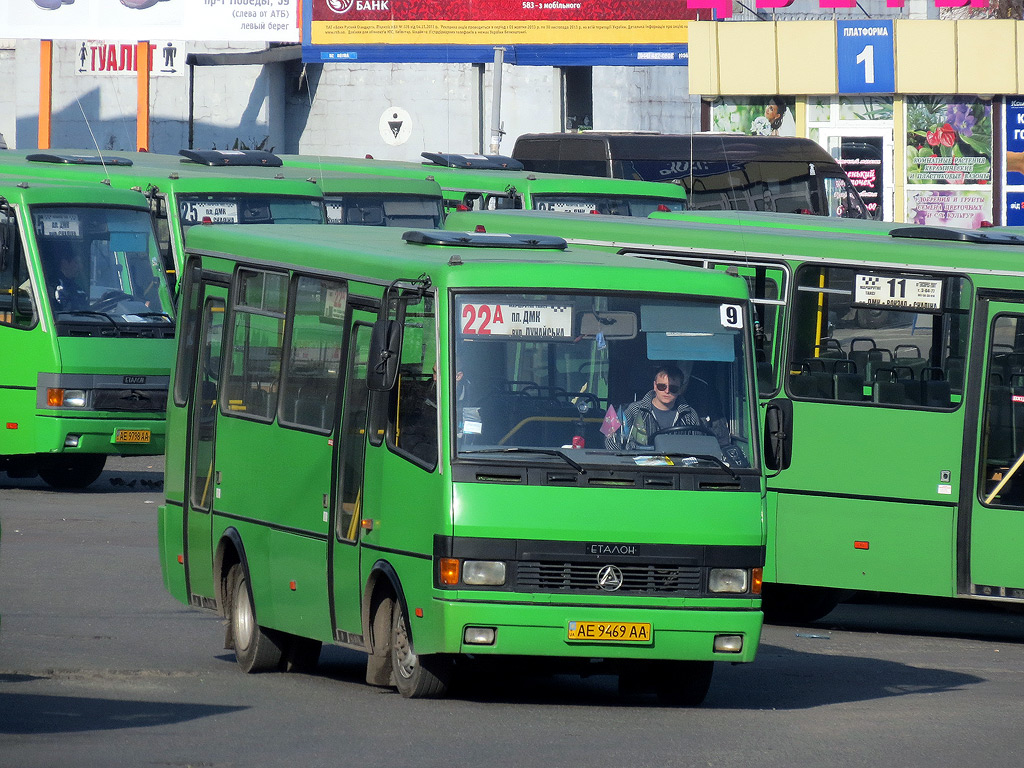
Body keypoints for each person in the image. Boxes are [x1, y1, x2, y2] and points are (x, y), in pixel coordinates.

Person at [605, 364, 702, 450]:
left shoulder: (689, 415)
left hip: (680, 469)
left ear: (680, 390)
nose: (667, 391)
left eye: (673, 388)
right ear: (655, 386)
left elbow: (699, 447)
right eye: (662, 386)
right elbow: (610, 439)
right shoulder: (631, 410)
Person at [48, 245, 89, 312]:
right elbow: (63, 310)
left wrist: (99, 303)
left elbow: (83, 311)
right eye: (76, 262)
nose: (80, 267)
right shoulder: (55, 286)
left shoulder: (75, 287)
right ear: (65, 263)